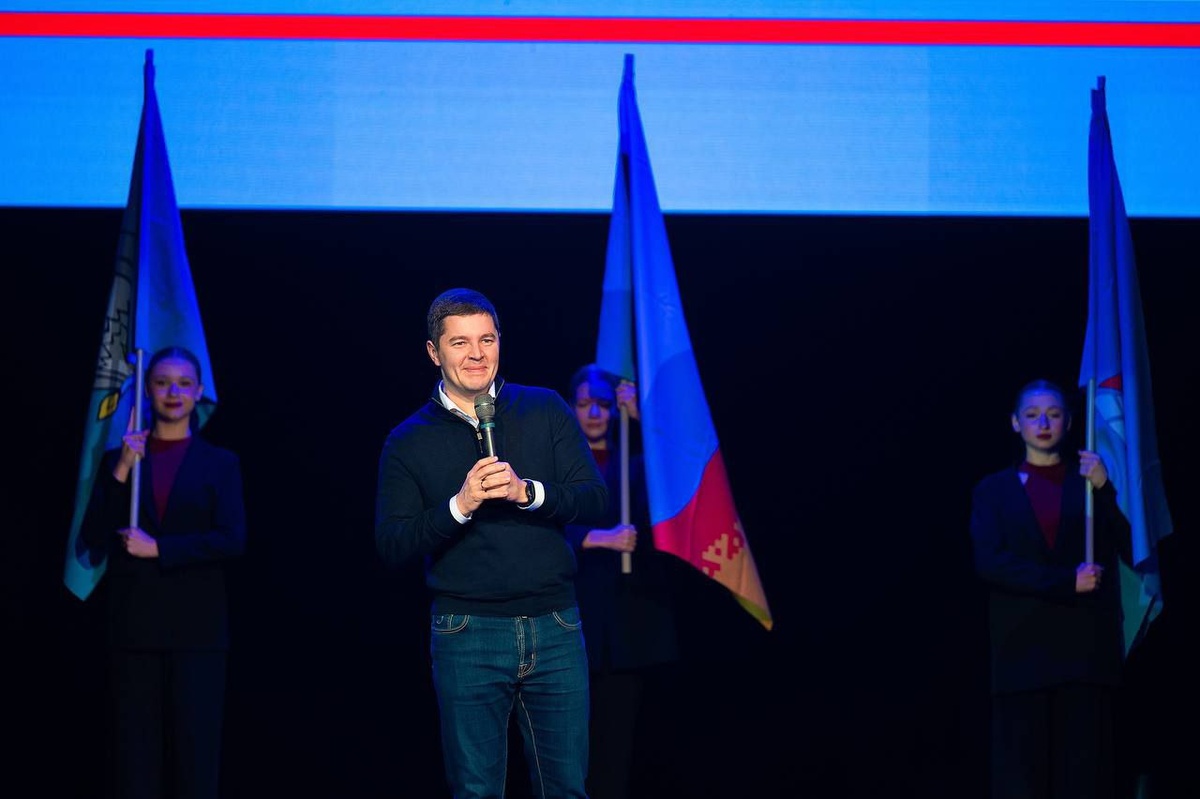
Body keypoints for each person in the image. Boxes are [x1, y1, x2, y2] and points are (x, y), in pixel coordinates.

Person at [374, 288, 609, 799]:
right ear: (434, 352)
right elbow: (392, 543)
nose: (476, 354)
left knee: (567, 789)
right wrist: (460, 505)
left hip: (555, 624)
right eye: (460, 343)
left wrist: (528, 492)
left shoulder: (544, 408)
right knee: (476, 791)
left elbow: (594, 499)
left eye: (487, 339)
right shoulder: (407, 439)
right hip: (467, 632)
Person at [80, 345, 247, 799]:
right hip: (134, 630)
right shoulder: (119, 459)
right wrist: (121, 469)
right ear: (148, 391)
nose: (173, 392)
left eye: (183, 383)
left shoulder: (220, 463)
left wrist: (160, 548)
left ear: (198, 392)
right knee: (135, 765)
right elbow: (90, 540)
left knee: (195, 763)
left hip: (197, 634)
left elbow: (232, 539)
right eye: (162, 382)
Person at [969, 379, 1130, 799]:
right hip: (1021, 659)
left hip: (1083, 660)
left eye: (1054, 414)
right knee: (1022, 784)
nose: (1043, 424)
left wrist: (1105, 488)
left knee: (1084, 783)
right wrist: (1065, 582)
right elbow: (990, 563)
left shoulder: (1089, 484)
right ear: (1015, 423)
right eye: (1032, 415)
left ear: (1069, 422)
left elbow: (1133, 548)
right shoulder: (993, 490)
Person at [564, 365, 681, 799]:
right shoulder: (558, 462)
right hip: (571, 626)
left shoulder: (634, 459)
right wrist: (599, 538)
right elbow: (538, 524)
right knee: (567, 748)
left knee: (615, 748)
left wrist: (640, 418)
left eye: (603, 403)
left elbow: (676, 477)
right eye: (584, 403)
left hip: (625, 631)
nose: (594, 412)